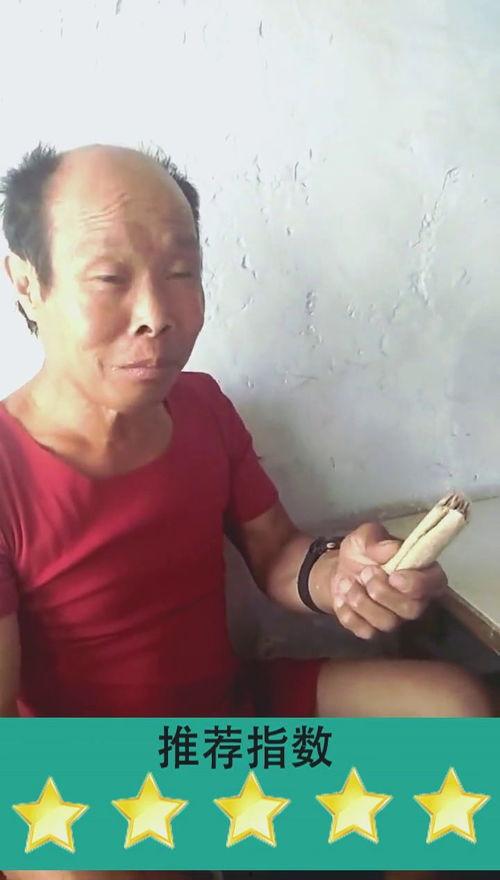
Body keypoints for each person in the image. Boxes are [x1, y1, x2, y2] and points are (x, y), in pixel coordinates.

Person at [0, 144, 490, 880]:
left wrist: (343, 575)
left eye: (181, 273)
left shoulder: (201, 406)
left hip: (226, 732)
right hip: (94, 775)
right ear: (27, 283)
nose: (156, 315)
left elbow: (277, 554)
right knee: (71, 862)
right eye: (110, 279)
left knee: (454, 714)